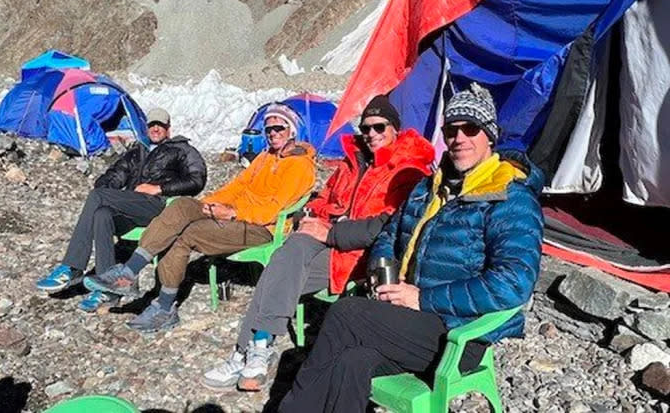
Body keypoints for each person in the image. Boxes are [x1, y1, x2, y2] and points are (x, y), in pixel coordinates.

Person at [278, 83, 544, 413]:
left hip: (460, 330)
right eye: (451, 130)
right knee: (351, 361)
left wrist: (422, 298)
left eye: (470, 129)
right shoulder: (428, 187)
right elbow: (390, 234)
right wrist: (382, 272)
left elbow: (514, 283)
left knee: (348, 313)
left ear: (490, 136)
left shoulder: (510, 198)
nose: (459, 138)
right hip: (411, 319)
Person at [202, 96, 435, 392]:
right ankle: (256, 349)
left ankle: (249, 349)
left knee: (279, 271)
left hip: (361, 254)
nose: (372, 135)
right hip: (327, 239)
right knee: (291, 251)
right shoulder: (353, 161)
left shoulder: (408, 170)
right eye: (366, 128)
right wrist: (311, 215)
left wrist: (331, 231)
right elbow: (325, 197)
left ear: (395, 130)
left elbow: (388, 227)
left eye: (380, 127)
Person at [84, 104, 317, 333]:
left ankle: (164, 306)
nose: (273, 134)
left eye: (279, 129)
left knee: (185, 235)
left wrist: (233, 213)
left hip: (261, 226)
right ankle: (129, 271)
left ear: (292, 131)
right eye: (269, 130)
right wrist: (207, 205)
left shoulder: (299, 166)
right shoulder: (266, 157)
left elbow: (273, 210)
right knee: (183, 205)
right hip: (235, 216)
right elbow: (238, 186)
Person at [35, 107, 207, 312]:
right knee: (102, 214)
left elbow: (197, 180)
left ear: (168, 129)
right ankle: (108, 289)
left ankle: (72, 266)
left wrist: (159, 188)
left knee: (98, 197)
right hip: (133, 204)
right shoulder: (137, 151)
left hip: (159, 206)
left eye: (160, 125)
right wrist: (106, 188)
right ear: (146, 127)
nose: (155, 128)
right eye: (152, 124)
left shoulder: (182, 149)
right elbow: (116, 173)